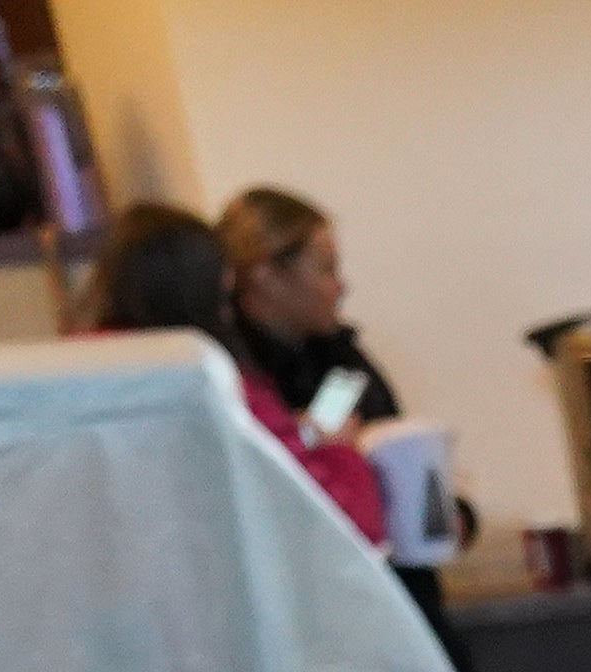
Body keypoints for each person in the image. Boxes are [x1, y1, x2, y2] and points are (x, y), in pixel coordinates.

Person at [79, 200, 381, 546]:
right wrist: (338, 450)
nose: (341, 286)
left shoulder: (77, 377)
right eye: (222, 300)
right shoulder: (219, 386)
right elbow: (343, 525)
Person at [213, 184, 395, 439]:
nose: (341, 287)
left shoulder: (337, 358)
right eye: (327, 269)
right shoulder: (230, 371)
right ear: (267, 276)